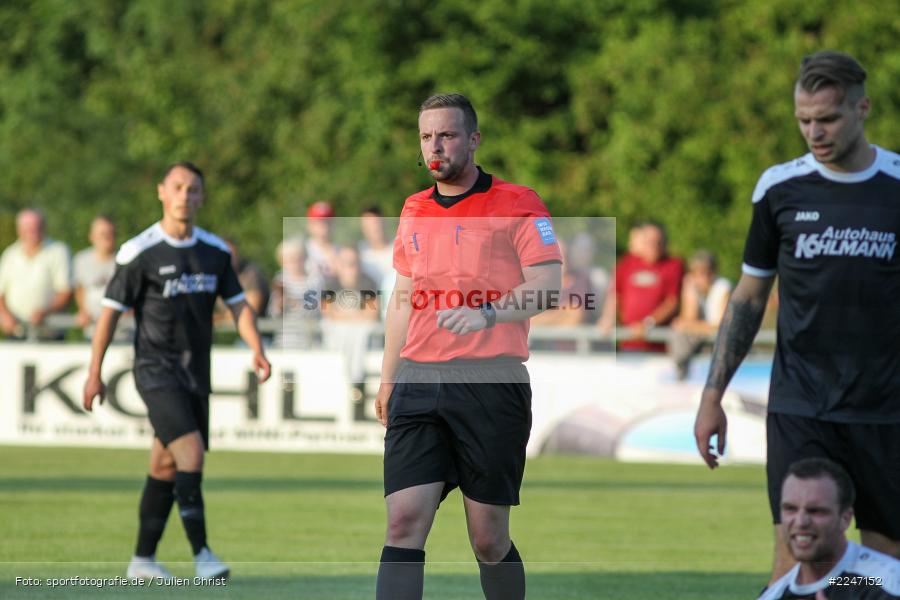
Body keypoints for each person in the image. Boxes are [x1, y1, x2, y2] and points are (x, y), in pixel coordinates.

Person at [694, 50, 900, 584]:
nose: (814, 132)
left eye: (827, 119)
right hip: (801, 405)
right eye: (804, 120)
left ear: (862, 109)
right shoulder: (778, 188)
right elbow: (748, 297)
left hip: (886, 409)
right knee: (797, 557)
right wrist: (712, 396)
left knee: (886, 566)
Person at [374, 93, 562, 600]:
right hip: (417, 379)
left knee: (488, 538)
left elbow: (548, 284)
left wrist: (487, 313)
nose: (436, 147)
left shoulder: (518, 203)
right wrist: (389, 375)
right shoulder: (414, 208)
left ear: (474, 140)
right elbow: (404, 298)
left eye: (448, 135)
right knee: (403, 523)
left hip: (490, 383)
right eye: (426, 137)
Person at [81, 162, 271, 580]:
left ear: (202, 197)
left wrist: (256, 348)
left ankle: (142, 561)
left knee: (165, 465)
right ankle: (203, 555)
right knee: (191, 453)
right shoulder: (138, 251)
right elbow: (109, 315)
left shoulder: (215, 252)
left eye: (194, 189)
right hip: (155, 370)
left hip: (195, 375)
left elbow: (238, 305)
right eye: (178, 187)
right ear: (162, 192)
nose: (186, 195)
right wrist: (94, 371)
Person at [759, 458, 900, 599]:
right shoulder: (773, 595)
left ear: (845, 518)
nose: (801, 522)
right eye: (790, 509)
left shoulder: (888, 581)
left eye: (815, 511)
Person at [597, 221, 683, 351]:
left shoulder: (673, 265)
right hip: (629, 344)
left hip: (659, 347)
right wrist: (608, 318)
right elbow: (615, 295)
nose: (653, 245)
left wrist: (648, 324)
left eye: (657, 241)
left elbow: (672, 302)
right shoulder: (627, 262)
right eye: (649, 241)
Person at [0, 208, 72, 339]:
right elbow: (1, 294)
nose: (32, 232)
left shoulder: (58, 251)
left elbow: (65, 292)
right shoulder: (9, 254)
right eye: (27, 228)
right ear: (19, 230)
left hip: (50, 331)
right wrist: (4, 315)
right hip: (16, 331)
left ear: (43, 227)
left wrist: (45, 312)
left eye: (36, 227)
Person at [669, 250, 732, 380]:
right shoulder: (693, 287)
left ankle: (680, 371)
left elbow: (721, 326)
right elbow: (689, 318)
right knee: (679, 335)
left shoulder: (723, 288)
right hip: (705, 349)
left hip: (721, 350)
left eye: (707, 272)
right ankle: (681, 370)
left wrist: (690, 326)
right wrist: (691, 293)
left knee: (679, 333)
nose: (703, 277)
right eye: (697, 273)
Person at [73, 215, 130, 340]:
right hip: (92, 332)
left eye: (111, 233)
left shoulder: (126, 260)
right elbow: (80, 288)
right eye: (102, 234)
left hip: (122, 333)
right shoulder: (82, 260)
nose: (107, 238)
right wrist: (82, 310)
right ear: (92, 237)